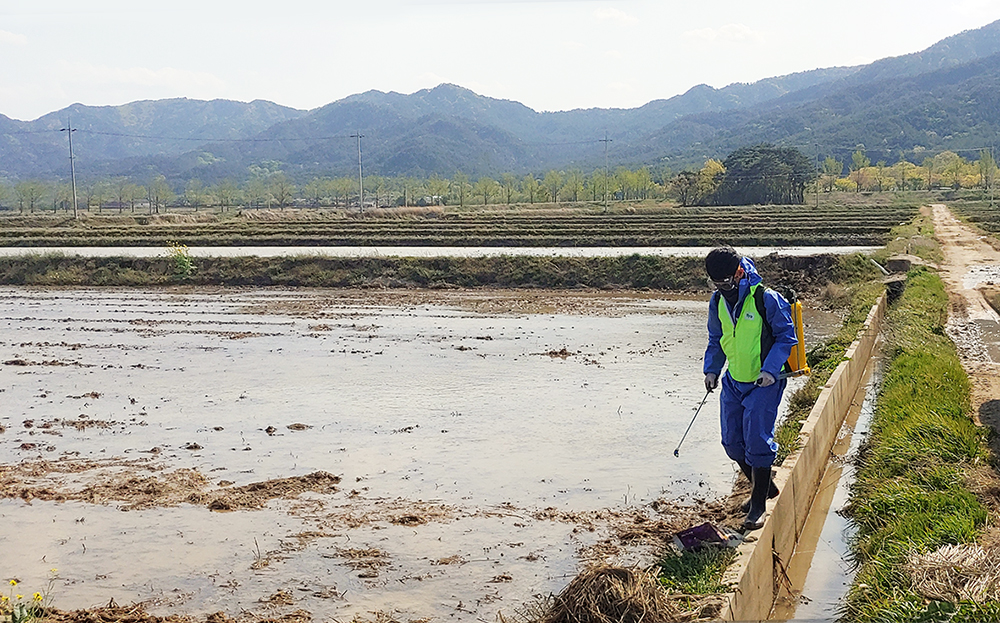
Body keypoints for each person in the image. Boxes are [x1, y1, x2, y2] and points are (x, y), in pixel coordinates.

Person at [702, 246, 797, 531]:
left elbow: (786, 337)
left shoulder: (766, 299)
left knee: (757, 441)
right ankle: (764, 486)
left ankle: (757, 505)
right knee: (732, 442)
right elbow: (715, 339)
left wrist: (770, 371)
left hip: (764, 381)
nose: (721, 288)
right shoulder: (717, 301)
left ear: (739, 273)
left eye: (726, 282)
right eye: (715, 283)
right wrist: (711, 370)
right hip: (734, 380)